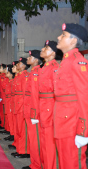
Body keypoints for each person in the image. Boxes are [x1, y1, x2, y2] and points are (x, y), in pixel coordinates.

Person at [54, 23, 88, 169]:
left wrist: (83, 130)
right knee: (64, 162)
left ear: (73, 41)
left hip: (72, 124)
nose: (58, 37)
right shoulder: (65, 61)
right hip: (62, 122)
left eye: (63, 35)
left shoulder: (77, 61)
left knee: (72, 163)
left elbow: (84, 97)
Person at [38, 40, 59, 169]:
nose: (43, 49)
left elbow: (58, 92)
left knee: (49, 143)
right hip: (43, 106)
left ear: (52, 53)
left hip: (50, 107)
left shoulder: (55, 67)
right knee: (44, 142)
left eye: (46, 48)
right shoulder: (45, 67)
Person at [22, 50, 43, 169]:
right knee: (32, 139)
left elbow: (35, 95)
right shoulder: (32, 72)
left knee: (36, 141)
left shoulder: (37, 72)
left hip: (34, 112)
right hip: (29, 110)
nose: (28, 58)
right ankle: (34, 163)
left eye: (30, 57)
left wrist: (34, 114)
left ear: (36, 60)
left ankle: (37, 164)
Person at [13, 58, 30, 158]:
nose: (17, 65)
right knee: (18, 129)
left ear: (24, 66)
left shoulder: (25, 76)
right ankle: (19, 149)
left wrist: (24, 107)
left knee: (23, 130)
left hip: (22, 106)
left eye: (19, 63)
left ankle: (24, 151)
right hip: (17, 105)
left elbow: (25, 94)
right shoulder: (18, 76)